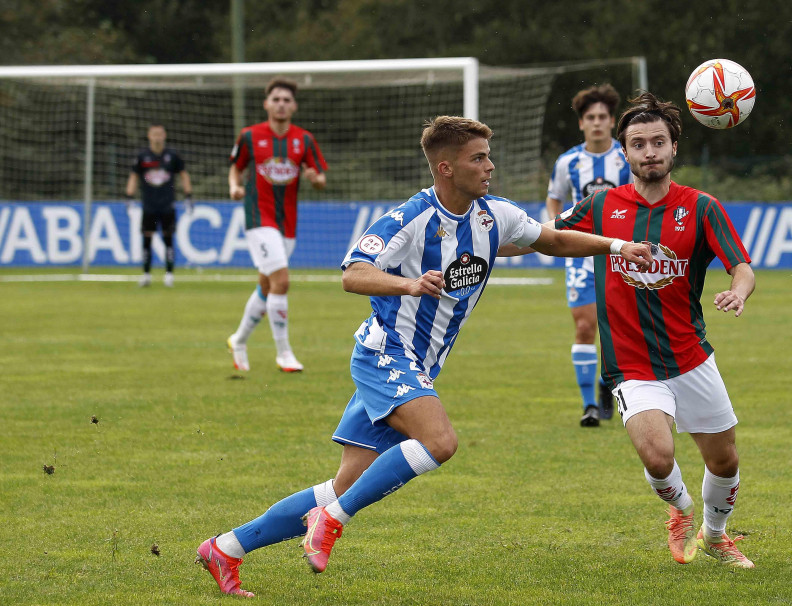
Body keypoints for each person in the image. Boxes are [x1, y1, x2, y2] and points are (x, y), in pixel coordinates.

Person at [195, 115, 653, 596]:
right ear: (446, 168)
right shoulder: (409, 218)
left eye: (487, 156)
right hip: (385, 354)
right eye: (478, 158)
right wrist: (408, 283)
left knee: (343, 486)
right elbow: (353, 272)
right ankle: (328, 522)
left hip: (419, 366)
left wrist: (619, 246)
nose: (490, 166)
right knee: (440, 442)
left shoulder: (494, 215)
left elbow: (553, 239)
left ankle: (226, 548)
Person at [552, 92, 756, 568]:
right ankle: (682, 510)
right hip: (631, 362)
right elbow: (548, 235)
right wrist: (486, 240)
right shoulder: (601, 205)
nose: (649, 152)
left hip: (690, 355)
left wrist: (738, 292)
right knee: (657, 457)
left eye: (658, 142)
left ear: (674, 148)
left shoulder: (701, 207)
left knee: (724, 461)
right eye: (639, 144)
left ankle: (716, 536)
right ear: (624, 152)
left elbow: (741, 266)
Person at [226, 76, 328, 373]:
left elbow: (320, 178)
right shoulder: (249, 136)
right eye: (276, 99)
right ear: (266, 104)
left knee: (267, 285)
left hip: (288, 223)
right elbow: (236, 168)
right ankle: (284, 353)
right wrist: (234, 186)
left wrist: (315, 179)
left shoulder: (304, 139)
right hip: (258, 217)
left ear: (293, 106)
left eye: (286, 100)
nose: (281, 104)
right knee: (282, 281)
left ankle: (239, 339)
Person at [546, 85, 633, 427]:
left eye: (602, 117)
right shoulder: (568, 163)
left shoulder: (626, 158)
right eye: (590, 118)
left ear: (612, 122)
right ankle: (589, 407)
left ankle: (604, 382)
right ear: (581, 124)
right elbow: (554, 199)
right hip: (581, 255)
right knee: (584, 326)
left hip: (623, 254)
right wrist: (552, 234)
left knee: (624, 328)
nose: (597, 123)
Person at [125, 123, 192, 288]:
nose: (157, 137)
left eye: (160, 134)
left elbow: (184, 175)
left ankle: (169, 275)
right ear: (149, 136)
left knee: (168, 238)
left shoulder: (172, 156)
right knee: (146, 239)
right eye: (154, 134)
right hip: (148, 205)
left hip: (167, 205)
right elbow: (133, 176)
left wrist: (188, 195)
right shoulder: (142, 156)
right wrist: (129, 196)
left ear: (164, 136)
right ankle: (146, 274)